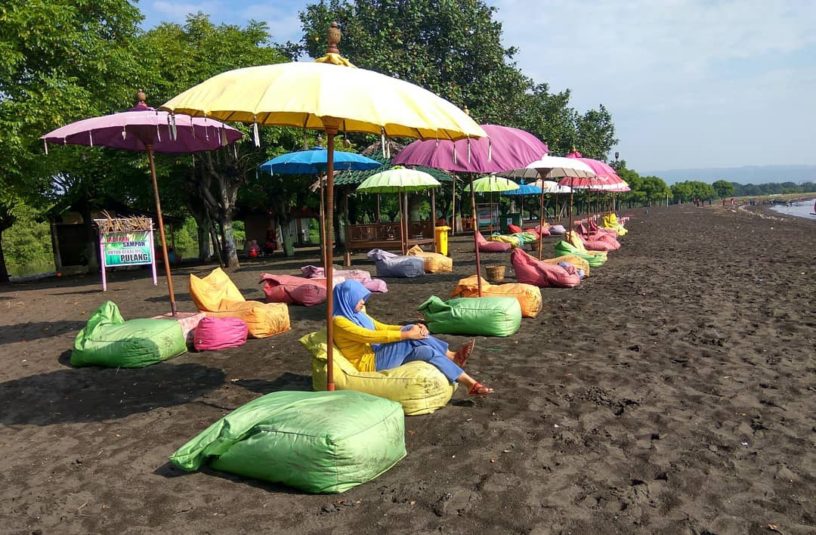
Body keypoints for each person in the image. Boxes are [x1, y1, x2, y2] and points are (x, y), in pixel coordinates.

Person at [332, 280, 494, 396]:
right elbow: (370, 335)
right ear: (346, 299)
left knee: (425, 350)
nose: (362, 302)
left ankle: (470, 384)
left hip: (377, 353)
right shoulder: (339, 322)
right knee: (411, 335)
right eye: (358, 298)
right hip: (370, 363)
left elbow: (381, 327)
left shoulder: (357, 314)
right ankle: (451, 355)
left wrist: (411, 329)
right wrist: (407, 334)